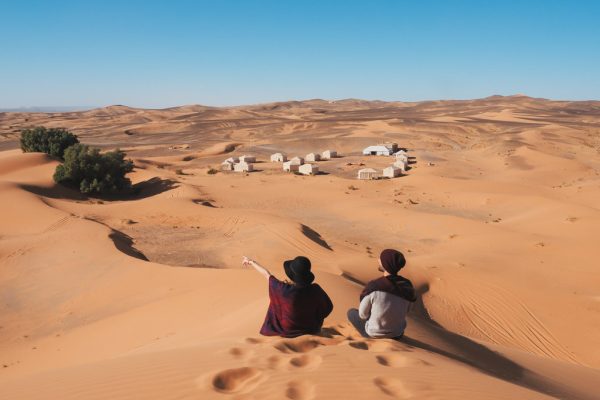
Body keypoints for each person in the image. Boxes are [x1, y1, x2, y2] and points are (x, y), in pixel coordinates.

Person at [243, 255, 333, 337]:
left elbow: (267, 274)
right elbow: (328, 307)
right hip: (311, 329)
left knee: (277, 299)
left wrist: (251, 262)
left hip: (287, 330)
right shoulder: (315, 289)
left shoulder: (283, 290)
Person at [347, 249, 417, 338]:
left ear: (386, 263)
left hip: (373, 334)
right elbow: (408, 310)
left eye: (380, 259)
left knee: (351, 313)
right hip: (397, 334)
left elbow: (362, 315)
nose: (378, 260)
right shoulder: (407, 287)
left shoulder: (374, 286)